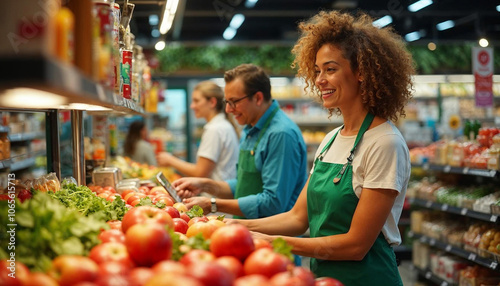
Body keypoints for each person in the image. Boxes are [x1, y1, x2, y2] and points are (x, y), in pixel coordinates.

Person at [231, 11, 415, 285]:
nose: (319, 80)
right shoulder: (331, 140)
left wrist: (270, 241)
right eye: (317, 71)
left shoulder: (384, 143)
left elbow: (356, 245)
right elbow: (297, 218)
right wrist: (235, 228)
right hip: (324, 277)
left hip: (368, 277)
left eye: (330, 69)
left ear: (362, 72)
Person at [172, 64, 308, 220]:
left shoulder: (281, 134)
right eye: (227, 102)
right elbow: (243, 185)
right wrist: (204, 185)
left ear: (257, 98)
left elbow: (273, 203)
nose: (229, 110)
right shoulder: (250, 128)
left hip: (274, 238)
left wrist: (213, 204)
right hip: (248, 230)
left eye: (234, 102)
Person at [156, 81, 239, 181]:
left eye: (196, 101)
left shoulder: (214, 129)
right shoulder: (222, 125)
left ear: (212, 102)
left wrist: (170, 160)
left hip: (214, 195)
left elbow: (200, 173)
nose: (192, 106)